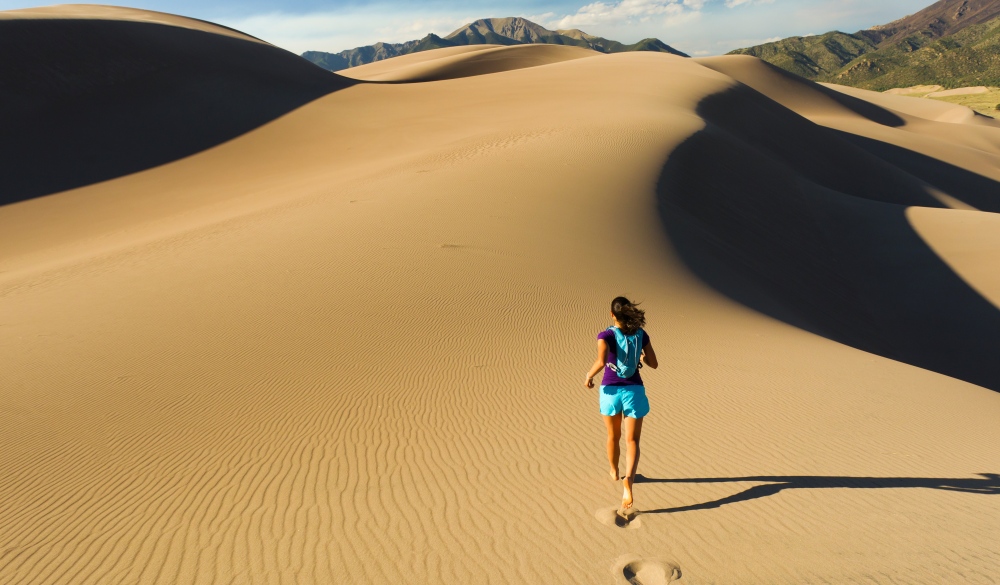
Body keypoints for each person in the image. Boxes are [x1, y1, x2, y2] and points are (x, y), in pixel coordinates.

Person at [584, 296, 657, 511]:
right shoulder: (641, 335)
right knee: (632, 440)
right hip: (634, 390)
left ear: (612, 315)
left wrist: (588, 376)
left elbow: (601, 361)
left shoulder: (605, 335)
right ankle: (629, 480)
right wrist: (641, 358)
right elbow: (654, 363)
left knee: (612, 436)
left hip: (610, 391)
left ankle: (615, 472)